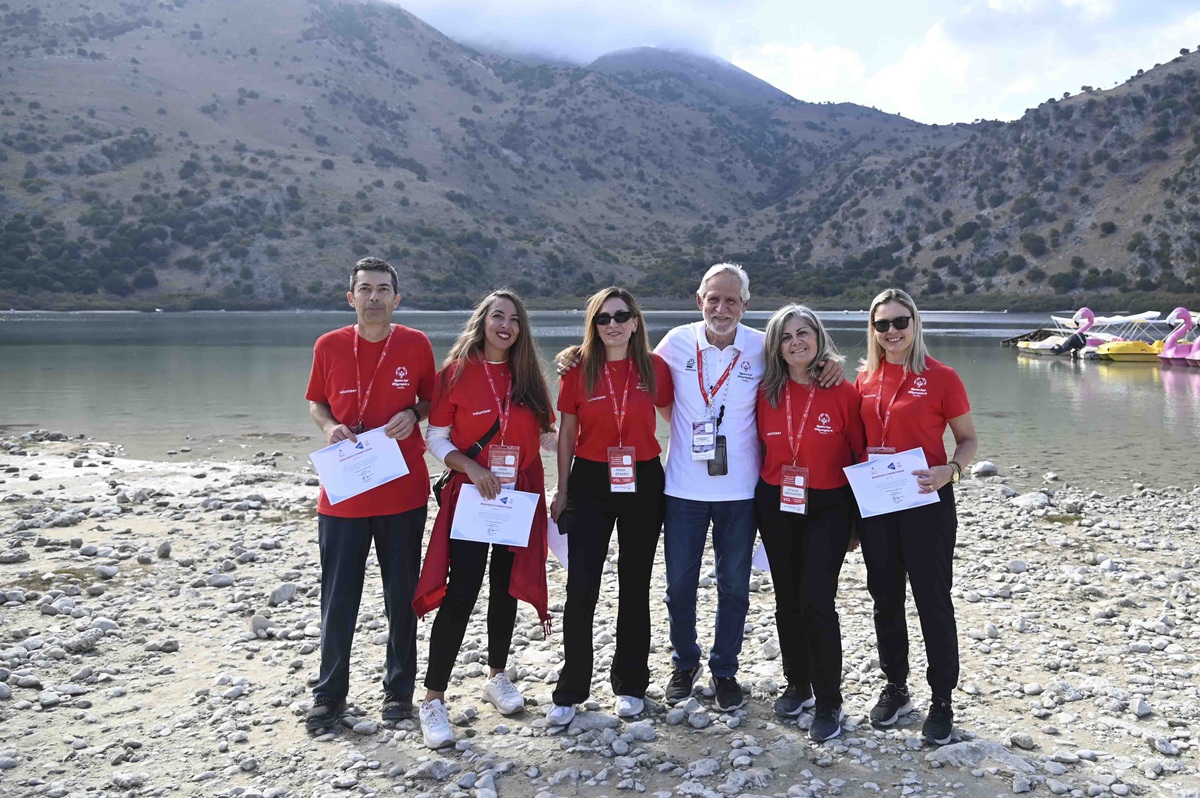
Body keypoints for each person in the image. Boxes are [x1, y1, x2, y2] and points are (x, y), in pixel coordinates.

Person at [652, 263, 844, 712]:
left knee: (734, 587)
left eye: (732, 300)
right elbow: (632, 372)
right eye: (713, 299)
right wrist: (574, 355)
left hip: (742, 493)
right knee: (678, 586)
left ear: (745, 304)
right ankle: (685, 663)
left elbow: (803, 363)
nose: (722, 308)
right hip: (682, 489)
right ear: (699, 301)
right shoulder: (675, 342)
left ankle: (724, 670)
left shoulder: (762, 346)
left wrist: (830, 363)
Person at [413, 288, 555, 750]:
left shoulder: (529, 376)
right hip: (473, 498)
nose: (506, 325)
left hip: (517, 498)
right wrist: (472, 468)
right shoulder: (455, 373)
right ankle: (433, 698)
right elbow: (436, 439)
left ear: (521, 328)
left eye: (514, 319)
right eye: (498, 316)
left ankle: (497, 676)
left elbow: (548, 436)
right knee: (462, 591)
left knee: (505, 588)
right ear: (482, 321)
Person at [303, 257, 436, 733]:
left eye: (383, 289)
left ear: (396, 299)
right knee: (338, 597)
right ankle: (329, 694)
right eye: (365, 289)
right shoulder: (329, 345)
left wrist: (413, 414)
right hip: (344, 492)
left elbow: (432, 399)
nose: (374, 297)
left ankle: (399, 691)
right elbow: (317, 402)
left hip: (402, 491)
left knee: (402, 596)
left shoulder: (416, 344)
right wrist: (329, 427)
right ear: (351, 297)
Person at [854, 288, 978, 745]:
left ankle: (942, 698)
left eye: (900, 322)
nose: (892, 331)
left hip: (927, 503)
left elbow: (967, 439)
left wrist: (952, 471)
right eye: (882, 324)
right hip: (877, 505)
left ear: (915, 323)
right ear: (873, 330)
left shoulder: (942, 377)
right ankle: (896, 687)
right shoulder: (863, 379)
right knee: (885, 598)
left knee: (932, 599)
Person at [546, 287, 674, 726]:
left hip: (644, 480)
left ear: (636, 322)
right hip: (590, 481)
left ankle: (631, 683)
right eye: (603, 318)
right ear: (593, 325)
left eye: (621, 316)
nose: (613, 324)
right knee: (581, 587)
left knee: (635, 585)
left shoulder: (656, 367)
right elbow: (567, 434)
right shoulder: (577, 369)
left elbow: (685, 414)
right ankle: (571, 688)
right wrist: (562, 489)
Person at [753, 304, 864, 742]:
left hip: (828, 506)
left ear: (818, 337)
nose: (795, 342)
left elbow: (859, 454)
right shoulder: (765, 392)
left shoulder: (843, 392)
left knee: (817, 600)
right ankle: (798, 685)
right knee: (786, 600)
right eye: (786, 336)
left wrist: (857, 521)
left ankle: (829, 700)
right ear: (776, 347)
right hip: (775, 503)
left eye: (803, 333)